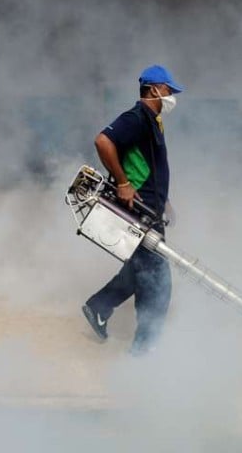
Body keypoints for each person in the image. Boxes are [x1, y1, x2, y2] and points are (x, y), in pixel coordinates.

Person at [81, 64, 184, 355]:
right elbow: (103, 141)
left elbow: (148, 165)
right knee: (157, 283)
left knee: (140, 270)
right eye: (168, 90)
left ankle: (98, 307)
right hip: (139, 213)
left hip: (151, 209)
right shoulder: (137, 117)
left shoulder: (153, 121)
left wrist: (164, 199)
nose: (172, 95)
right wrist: (123, 183)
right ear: (153, 89)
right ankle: (143, 352)